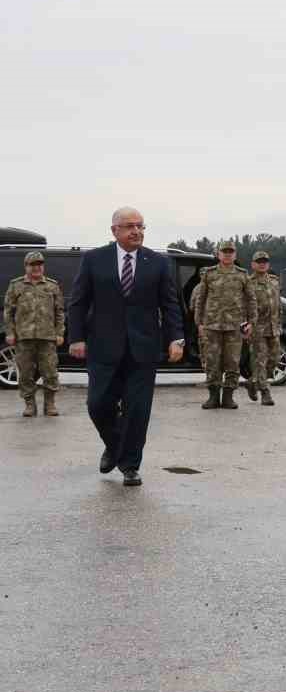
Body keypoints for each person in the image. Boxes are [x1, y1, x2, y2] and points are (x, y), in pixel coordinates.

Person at [66, 206, 186, 487]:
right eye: (130, 226)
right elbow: (78, 301)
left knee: (138, 410)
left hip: (143, 349)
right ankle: (114, 444)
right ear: (114, 231)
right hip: (103, 347)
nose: (137, 231)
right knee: (97, 404)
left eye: (141, 226)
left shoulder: (157, 263)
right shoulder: (94, 259)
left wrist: (176, 338)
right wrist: (76, 337)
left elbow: (170, 305)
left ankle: (130, 465)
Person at [192, 242, 258, 410]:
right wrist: (199, 322)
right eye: (224, 252)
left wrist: (251, 322)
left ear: (235, 255)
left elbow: (251, 300)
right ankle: (213, 397)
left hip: (234, 327)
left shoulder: (243, 275)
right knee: (212, 362)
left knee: (232, 363)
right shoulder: (209, 274)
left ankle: (228, 397)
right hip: (211, 326)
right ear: (218, 254)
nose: (227, 255)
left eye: (231, 252)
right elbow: (201, 299)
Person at [4, 251, 65, 417]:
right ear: (26, 266)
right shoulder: (16, 285)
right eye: (33, 264)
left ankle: (50, 405)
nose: (37, 267)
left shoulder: (52, 286)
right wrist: (10, 332)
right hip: (24, 337)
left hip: (47, 337)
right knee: (25, 373)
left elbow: (59, 312)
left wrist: (60, 333)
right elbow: (8, 311)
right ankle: (29, 405)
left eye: (39, 264)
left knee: (50, 372)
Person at [243, 251, 282, 405]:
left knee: (274, 359)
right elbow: (243, 307)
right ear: (253, 264)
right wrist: (245, 326)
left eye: (265, 261)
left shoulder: (274, 281)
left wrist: (279, 324)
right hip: (257, 328)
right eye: (259, 261)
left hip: (273, 327)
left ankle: (252, 382)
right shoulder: (248, 282)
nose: (262, 264)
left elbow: (278, 305)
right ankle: (265, 392)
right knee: (260, 360)